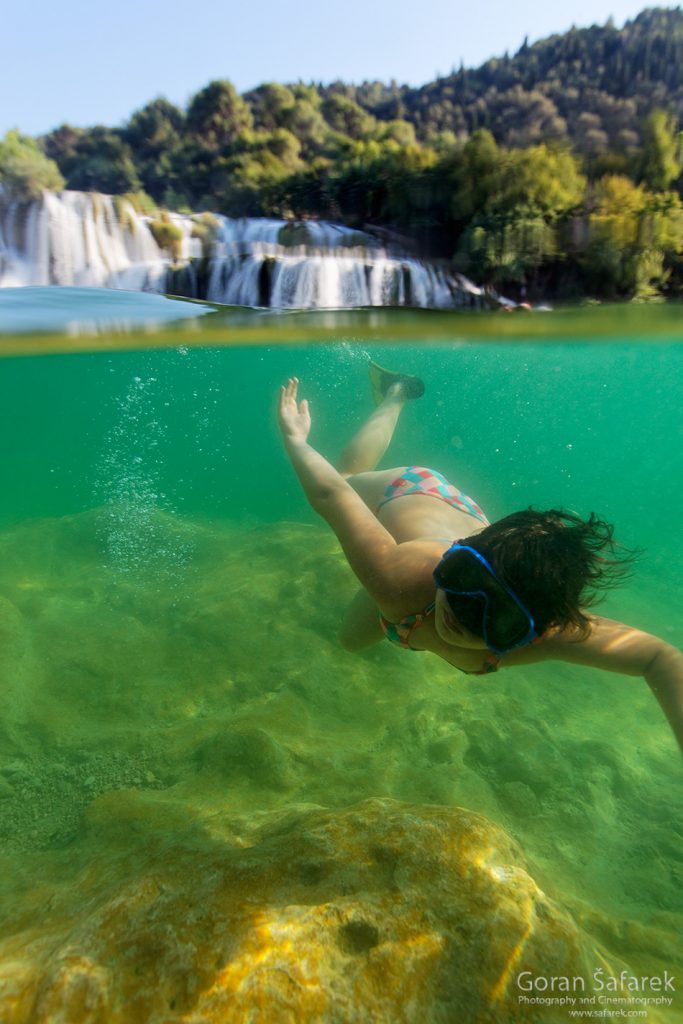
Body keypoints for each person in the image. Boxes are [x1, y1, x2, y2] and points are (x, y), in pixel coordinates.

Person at [277, 363, 683, 755]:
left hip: (484, 543)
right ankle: (396, 392)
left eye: (502, 618)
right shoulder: (399, 576)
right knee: (347, 476)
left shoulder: (545, 631)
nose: (462, 611)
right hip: (412, 490)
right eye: (462, 577)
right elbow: (332, 493)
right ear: (454, 561)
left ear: (536, 631)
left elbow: (658, 658)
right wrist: (297, 441)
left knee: (360, 631)